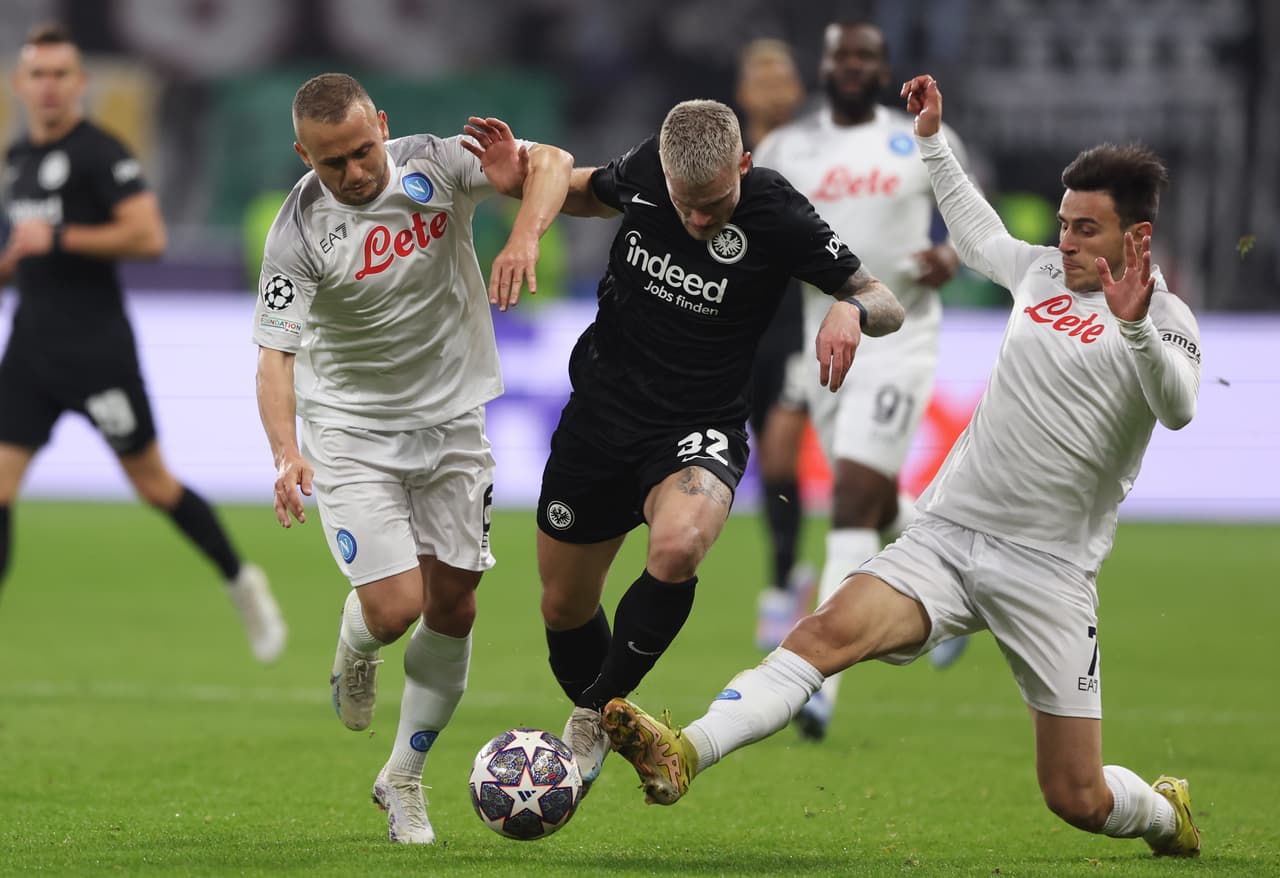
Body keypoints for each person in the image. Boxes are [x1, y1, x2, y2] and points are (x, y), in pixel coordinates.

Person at [600, 74, 1203, 860]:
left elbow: (1180, 405)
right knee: (821, 636)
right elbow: (981, 234)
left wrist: (1132, 331)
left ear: (1137, 238)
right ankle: (688, 753)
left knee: (1076, 797)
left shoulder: (1163, 320)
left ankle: (1164, 815)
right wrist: (930, 142)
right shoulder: (1042, 274)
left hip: (1050, 570)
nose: (1065, 242)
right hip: (949, 538)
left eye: (1086, 230)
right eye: (1062, 223)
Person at [508, 98, 905, 796]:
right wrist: (516, 180)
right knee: (563, 608)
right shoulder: (643, 175)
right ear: (662, 173)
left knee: (679, 543)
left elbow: (883, 299)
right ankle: (620, 724)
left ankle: (588, 723)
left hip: (698, 427)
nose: (698, 220)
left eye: (715, 203)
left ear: (743, 168)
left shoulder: (775, 211)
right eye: (685, 204)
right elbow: (584, 189)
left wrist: (849, 306)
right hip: (600, 417)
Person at [253, 73, 570, 845]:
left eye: (363, 151)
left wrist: (522, 229)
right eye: (333, 163)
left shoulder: (437, 163)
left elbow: (555, 161)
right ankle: (356, 643)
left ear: (382, 126)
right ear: (305, 154)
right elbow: (274, 358)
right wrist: (286, 452)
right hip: (354, 435)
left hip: (454, 425)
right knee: (395, 609)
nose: (356, 173)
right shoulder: (296, 230)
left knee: (455, 606)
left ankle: (403, 777)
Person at [0, 23, 286, 663]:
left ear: (79, 84)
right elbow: (27, 250)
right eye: (36, 75)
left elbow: (148, 236)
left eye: (59, 75)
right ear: (20, 85)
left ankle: (242, 581)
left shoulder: (100, 153)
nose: (47, 87)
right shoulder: (18, 159)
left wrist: (62, 238)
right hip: (28, 352)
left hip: (96, 352)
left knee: (154, 485)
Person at [752, 23, 975, 735]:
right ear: (825, 66)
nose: (853, 67)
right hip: (828, 338)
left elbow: (966, 224)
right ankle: (960, 587)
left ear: (882, 69)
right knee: (875, 500)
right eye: (842, 56)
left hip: (899, 332)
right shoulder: (791, 148)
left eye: (866, 58)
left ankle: (815, 679)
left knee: (848, 498)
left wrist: (948, 257)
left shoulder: (917, 138)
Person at [732, 39, 817, 651]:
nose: (769, 85)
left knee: (784, 455)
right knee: (757, 461)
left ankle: (782, 587)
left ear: (798, 90)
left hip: (799, 323)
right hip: (736, 327)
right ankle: (790, 574)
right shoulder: (725, 158)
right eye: (758, 75)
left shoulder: (819, 156)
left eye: (780, 74)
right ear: (741, 92)